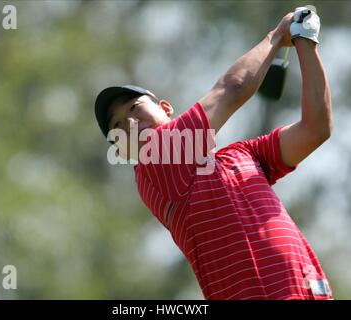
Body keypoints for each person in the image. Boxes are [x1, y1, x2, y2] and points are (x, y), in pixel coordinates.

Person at [94, 7, 333, 300]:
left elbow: (315, 129)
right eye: (118, 125)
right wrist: (278, 35)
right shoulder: (155, 165)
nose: (130, 123)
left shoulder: (242, 155)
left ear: (165, 108)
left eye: (134, 108)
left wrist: (304, 41)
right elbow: (232, 90)